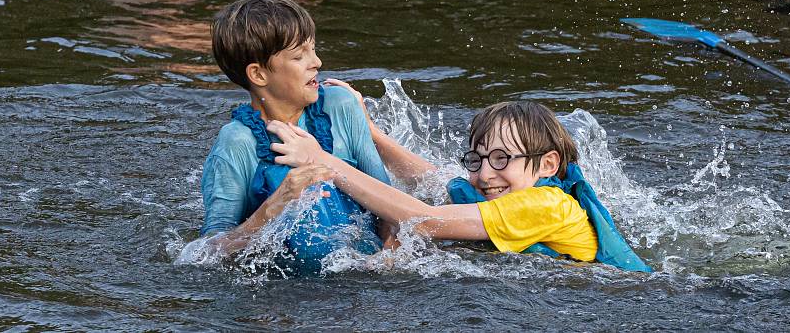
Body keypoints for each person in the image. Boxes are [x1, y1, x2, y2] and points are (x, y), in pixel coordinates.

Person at [267, 96, 652, 272]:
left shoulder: (544, 206)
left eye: (502, 159)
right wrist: (374, 135)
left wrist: (323, 162)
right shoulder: (515, 188)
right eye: (477, 159)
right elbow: (434, 180)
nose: (485, 175)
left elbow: (426, 219)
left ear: (547, 164)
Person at [196, 0, 394, 258]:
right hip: (288, 292)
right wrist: (273, 207)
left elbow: (389, 206)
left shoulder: (340, 106)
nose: (317, 62)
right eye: (299, 56)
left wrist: (387, 258)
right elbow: (206, 253)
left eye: (313, 48)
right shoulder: (237, 142)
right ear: (258, 74)